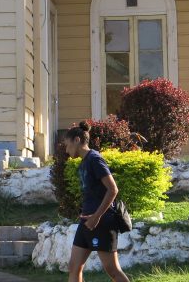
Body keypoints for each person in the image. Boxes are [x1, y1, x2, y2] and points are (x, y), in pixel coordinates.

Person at [63, 121, 131, 282]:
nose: (66, 150)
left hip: (102, 220)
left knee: (112, 270)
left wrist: (96, 217)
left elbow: (113, 189)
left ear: (77, 140)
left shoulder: (95, 159)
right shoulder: (83, 163)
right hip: (86, 221)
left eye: (67, 145)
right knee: (74, 266)